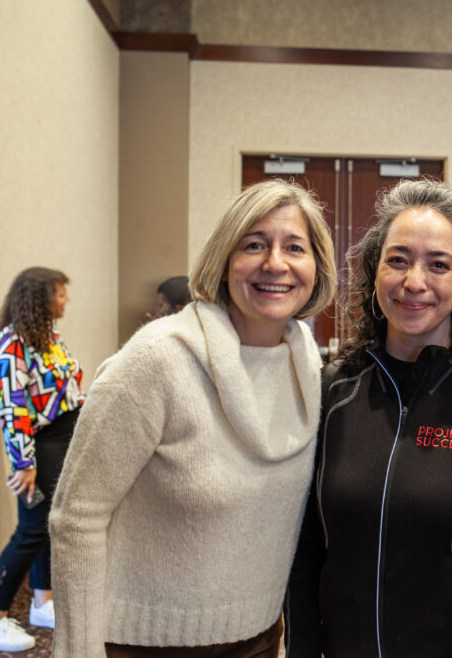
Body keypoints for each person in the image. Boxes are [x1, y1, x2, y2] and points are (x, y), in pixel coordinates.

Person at [49, 180, 336, 657]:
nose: (275, 264)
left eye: (294, 247)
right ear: (224, 262)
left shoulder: (307, 366)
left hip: (260, 639)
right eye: (254, 245)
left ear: (316, 266)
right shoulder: (156, 361)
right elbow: (76, 517)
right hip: (142, 644)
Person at [286, 179, 452, 658]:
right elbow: (305, 553)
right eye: (398, 259)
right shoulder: (332, 393)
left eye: (439, 264)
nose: (414, 282)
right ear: (374, 272)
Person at [0, 268, 84, 652]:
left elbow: (62, 390)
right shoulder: (12, 343)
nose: (65, 300)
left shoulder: (46, 337)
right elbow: (14, 407)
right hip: (38, 448)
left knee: (45, 527)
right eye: (59, 293)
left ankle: (42, 603)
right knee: (30, 532)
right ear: (39, 298)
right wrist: (25, 463)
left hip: (60, 441)